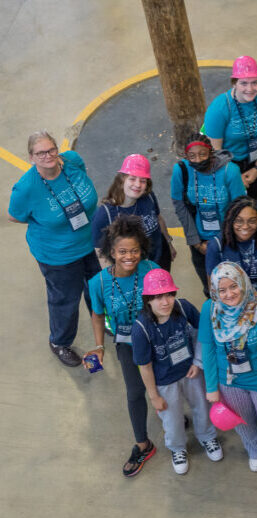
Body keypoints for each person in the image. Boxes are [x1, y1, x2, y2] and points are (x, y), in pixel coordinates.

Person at [8, 132, 99, 367]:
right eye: (40, 153)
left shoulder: (73, 161)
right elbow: (15, 216)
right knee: (65, 300)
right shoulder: (26, 188)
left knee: (97, 287)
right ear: (31, 157)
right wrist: (46, 223)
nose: (47, 156)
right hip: (58, 255)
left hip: (87, 242)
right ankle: (60, 342)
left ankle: (103, 322)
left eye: (51, 150)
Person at [200, 262, 257, 473]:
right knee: (243, 421)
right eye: (221, 290)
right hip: (230, 381)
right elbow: (208, 351)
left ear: (243, 282)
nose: (229, 294)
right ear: (214, 290)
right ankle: (256, 450)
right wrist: (212, 387)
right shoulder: (210, 309)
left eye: (233, 286)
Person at [84, 217, 161, 476]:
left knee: (167, 381)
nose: (130, 256)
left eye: (135, 250)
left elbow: (165, 302)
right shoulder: (99, 283)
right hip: (126, 345)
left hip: (156, 338)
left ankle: (172, 416)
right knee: (134, 392)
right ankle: (143, 444)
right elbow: (97, 315)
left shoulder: (151, 269)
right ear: (112, 253)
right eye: (123, 251)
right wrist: (99, 346)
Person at [132, 268, 223, 474]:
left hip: (190, 371)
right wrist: (154, 396)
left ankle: (208, 437)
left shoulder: (183, 308)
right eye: (158, 297)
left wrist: (198, 361)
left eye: (169, 294)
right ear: (147, 299)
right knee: (171, 418)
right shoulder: (141, 328)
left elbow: (204, 332)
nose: (165, 302)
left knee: (202, 406)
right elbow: (144, 367)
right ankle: (177, 448)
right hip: (165, 380)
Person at [171, 134, 247, 294]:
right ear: (186, 156)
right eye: (192, 156)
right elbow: (180, 205)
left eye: (202, 154)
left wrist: (221, 242)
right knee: (211, 288)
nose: (198, 160)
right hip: (200, 241)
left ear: (211, 152)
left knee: (236, 285)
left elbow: (240, 208)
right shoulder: (181, 170)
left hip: (228, 239)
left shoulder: (230, 171)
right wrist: (196, 241)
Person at [203, 55, 257, 201]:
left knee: (256, 203)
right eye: (243, 83)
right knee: (235, 207)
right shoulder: (219, 108)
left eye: (254, 83)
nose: (250, 89)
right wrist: (234, 176)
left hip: (254, 159)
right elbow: (216, 152)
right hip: (227, 165)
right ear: (234, 83)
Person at [91, 154, 175, 270]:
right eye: (132, 179)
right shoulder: (105, 214)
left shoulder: (148, 196)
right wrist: (116, 280)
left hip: (158, 259)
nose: (137, 185)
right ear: (122, 180)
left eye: (143, 180)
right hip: (131, 269)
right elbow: (100, 252)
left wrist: (169, 243)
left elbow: (158, 218)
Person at [206, 196, 257, 299]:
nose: (245, 226)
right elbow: (213, 286)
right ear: (230, 220)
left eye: (252, 221)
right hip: (233, 305)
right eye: (239, 221)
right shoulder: (217, 246)